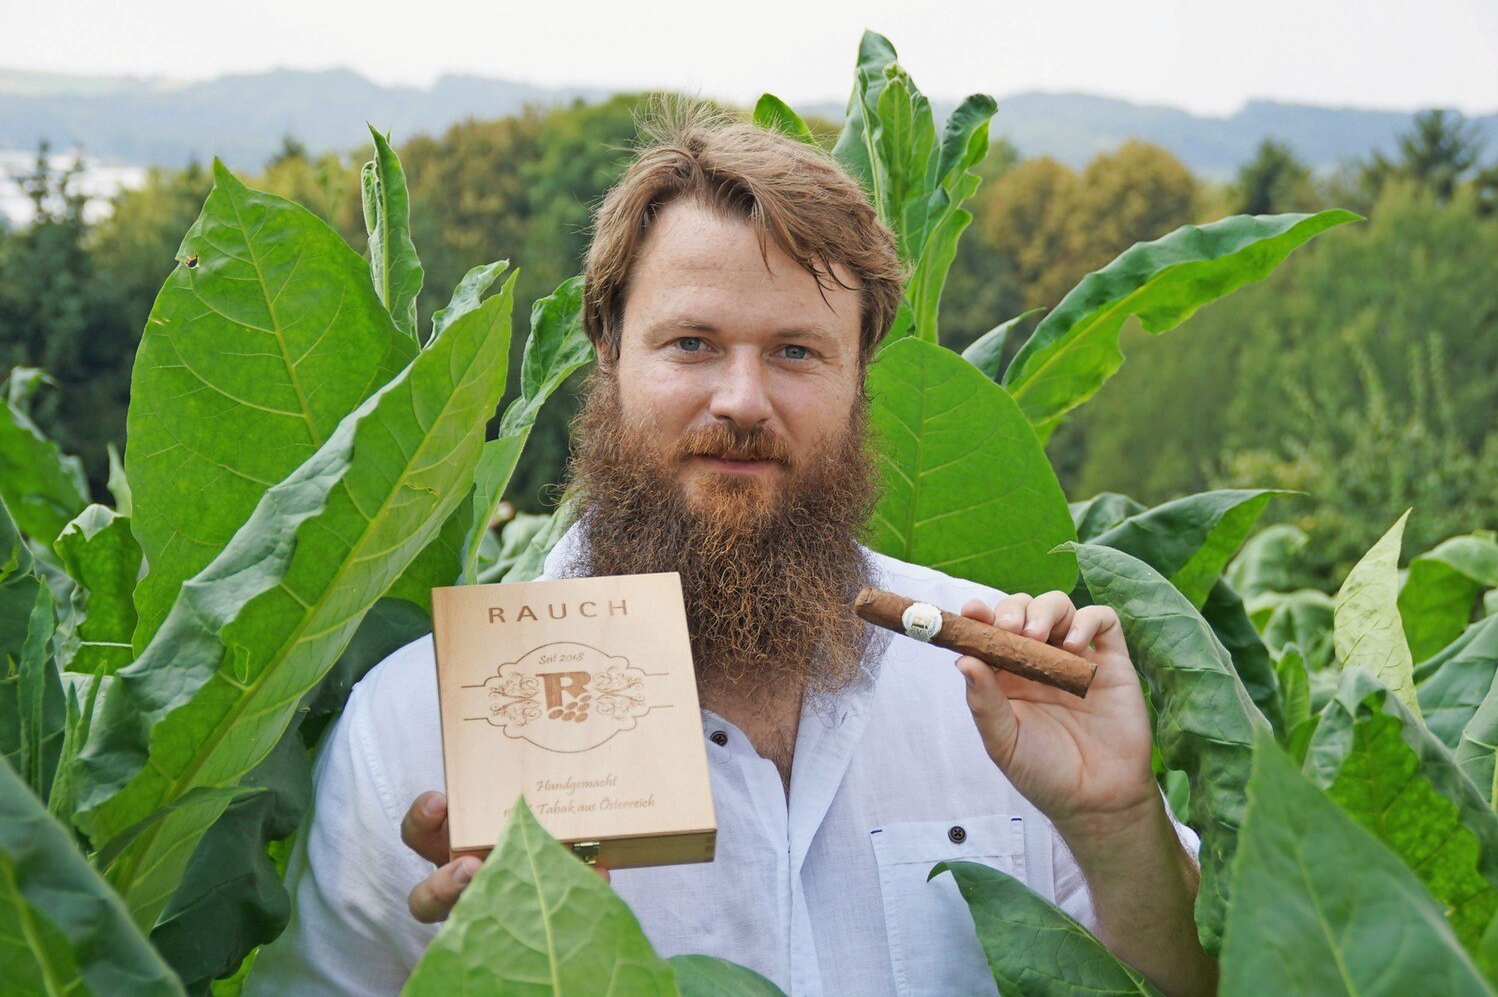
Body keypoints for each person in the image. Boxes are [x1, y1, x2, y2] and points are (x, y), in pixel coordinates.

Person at [247, 97, 1217, 997]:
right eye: (693, 344)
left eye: (796, 351)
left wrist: (1114, 822)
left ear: (859, 382)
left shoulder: (994, 690)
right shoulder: (418, 730)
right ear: (608, 355)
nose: (743, 400)